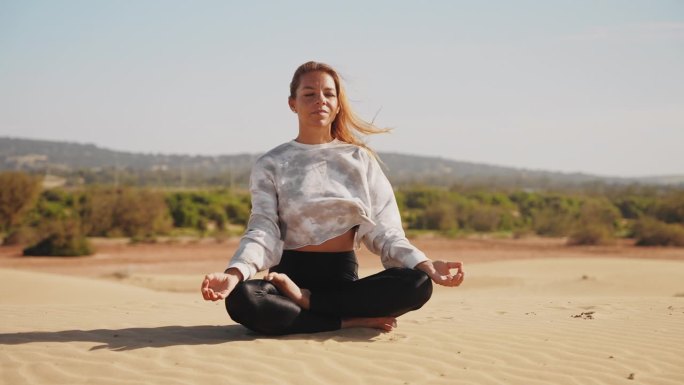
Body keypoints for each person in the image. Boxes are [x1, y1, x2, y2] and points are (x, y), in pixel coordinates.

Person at [201, 61, 464, 335]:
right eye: (309, 94)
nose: (320, 101)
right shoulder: (272, 163)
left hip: (342, 282)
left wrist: (425, 264)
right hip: (286, 279)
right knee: (242, 299)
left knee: (418, 283)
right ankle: (344, 320)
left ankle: (309, 304)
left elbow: (386, 232)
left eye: (328, 94)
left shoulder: (359, 159)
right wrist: (235, 273)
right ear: (293, 103)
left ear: (338, 103)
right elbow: (263, 230)